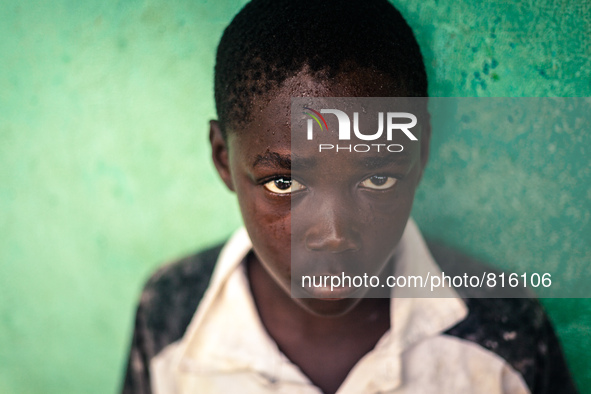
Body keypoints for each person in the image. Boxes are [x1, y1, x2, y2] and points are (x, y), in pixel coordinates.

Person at [121, 0, 577, 393]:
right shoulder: (171, 316)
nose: (334, 234)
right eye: (284, 183)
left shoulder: (506, 332)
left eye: (377, 180)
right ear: (223, 159)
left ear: (419, 154)